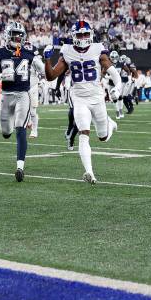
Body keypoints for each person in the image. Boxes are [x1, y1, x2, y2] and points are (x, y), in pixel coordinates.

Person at [44, 20, 120, 184]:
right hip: (78, 98)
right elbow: (51, 76)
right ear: (74, 36)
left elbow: (113, 71)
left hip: (97, 97)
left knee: (103, 137)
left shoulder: (98, 48)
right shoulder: (67, 50)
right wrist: (47, 60)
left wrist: (118, 87)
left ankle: (110, 124)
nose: (84, 37)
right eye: (80, 34)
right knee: (83, 133)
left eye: (86, 33)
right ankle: (89, 172)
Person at [0, 21, 45, 182]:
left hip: (23, 94)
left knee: (20, 128)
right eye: (14, 34)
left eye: (20, 35)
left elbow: (42, 69)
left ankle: (20, 167)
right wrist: (0, 77)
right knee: (6, 133)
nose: (17, 37)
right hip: (6, 95)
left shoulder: (29, 52)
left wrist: (46, 62)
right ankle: (10, 127)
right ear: (7, 35)